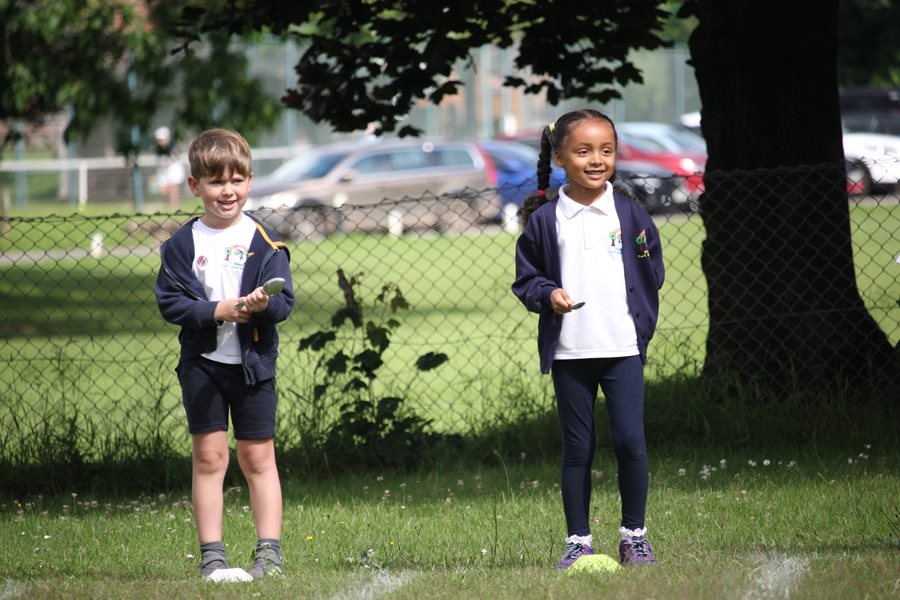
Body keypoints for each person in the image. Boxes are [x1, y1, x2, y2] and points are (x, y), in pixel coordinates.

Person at [511, 109, 665, 570]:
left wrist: (637, 306)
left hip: (622, 350)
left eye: (606, 150)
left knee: (630, 442)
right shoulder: (545, 220)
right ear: (560, 157)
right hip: (571, 353)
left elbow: (651, 266)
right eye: (583, 151)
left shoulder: (630, 213)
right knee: (577, 449)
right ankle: (578, 541)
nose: (596, 160)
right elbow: (527, 280)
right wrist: (548, 294)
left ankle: (634, 537)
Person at [154, 128, 295, 580]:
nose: (227, 191)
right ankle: (212, 556)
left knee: (258, 459)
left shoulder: (265, 242)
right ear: (195, 186)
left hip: (254, 370)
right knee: (209, 459)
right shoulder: (181, 246)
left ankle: (269, 554)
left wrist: (261, 307)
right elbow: (171, 303)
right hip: (202, 368)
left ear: (250, 182)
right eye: (216, 182)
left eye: (237, 180)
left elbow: (284, 303)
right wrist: (220, 310)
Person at [154, 126, 187, 209]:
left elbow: (175, 156)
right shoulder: (158, 149)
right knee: (164, 191)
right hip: (164, 171)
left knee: (173, 188)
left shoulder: (172, 147)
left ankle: (174, 206)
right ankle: (169, 204)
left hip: (173, 170)